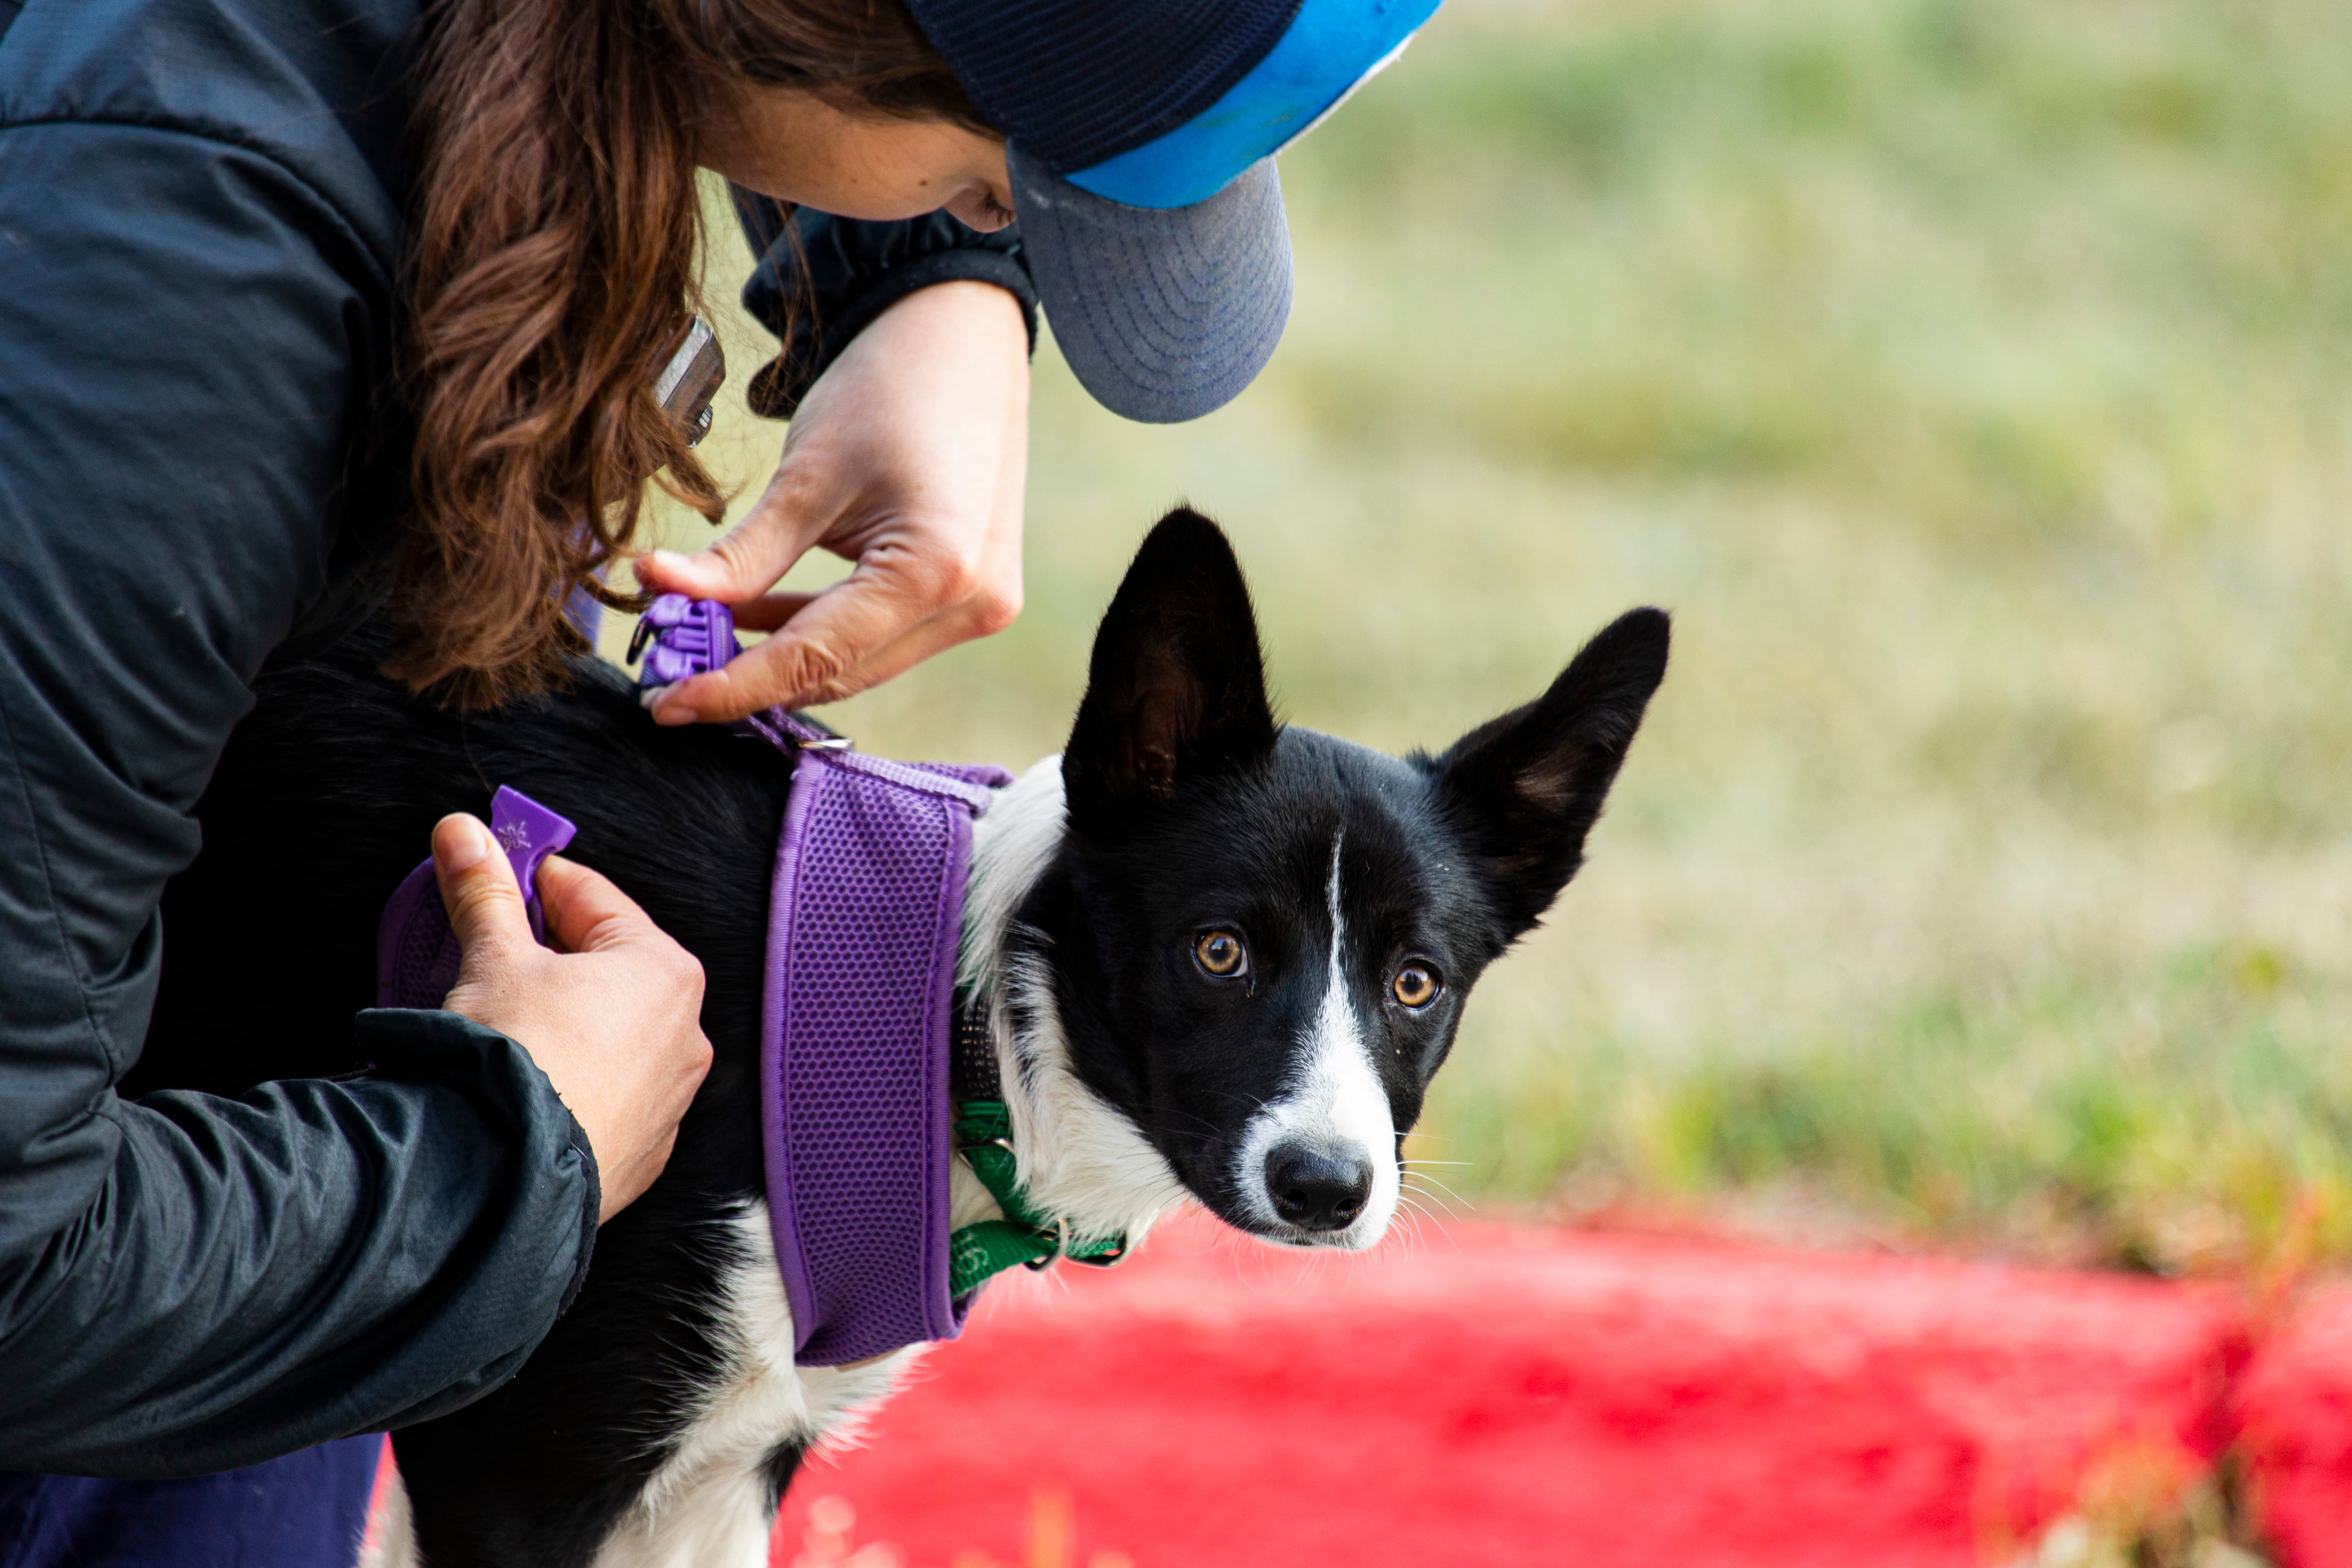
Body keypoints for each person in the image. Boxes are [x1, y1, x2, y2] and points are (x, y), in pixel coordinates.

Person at [0, 0, 1437, 1559]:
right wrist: (515, 1153)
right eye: (987, 183)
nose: (997, 219)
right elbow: (18, 1256)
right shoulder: (181, 283)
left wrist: (920, 281)